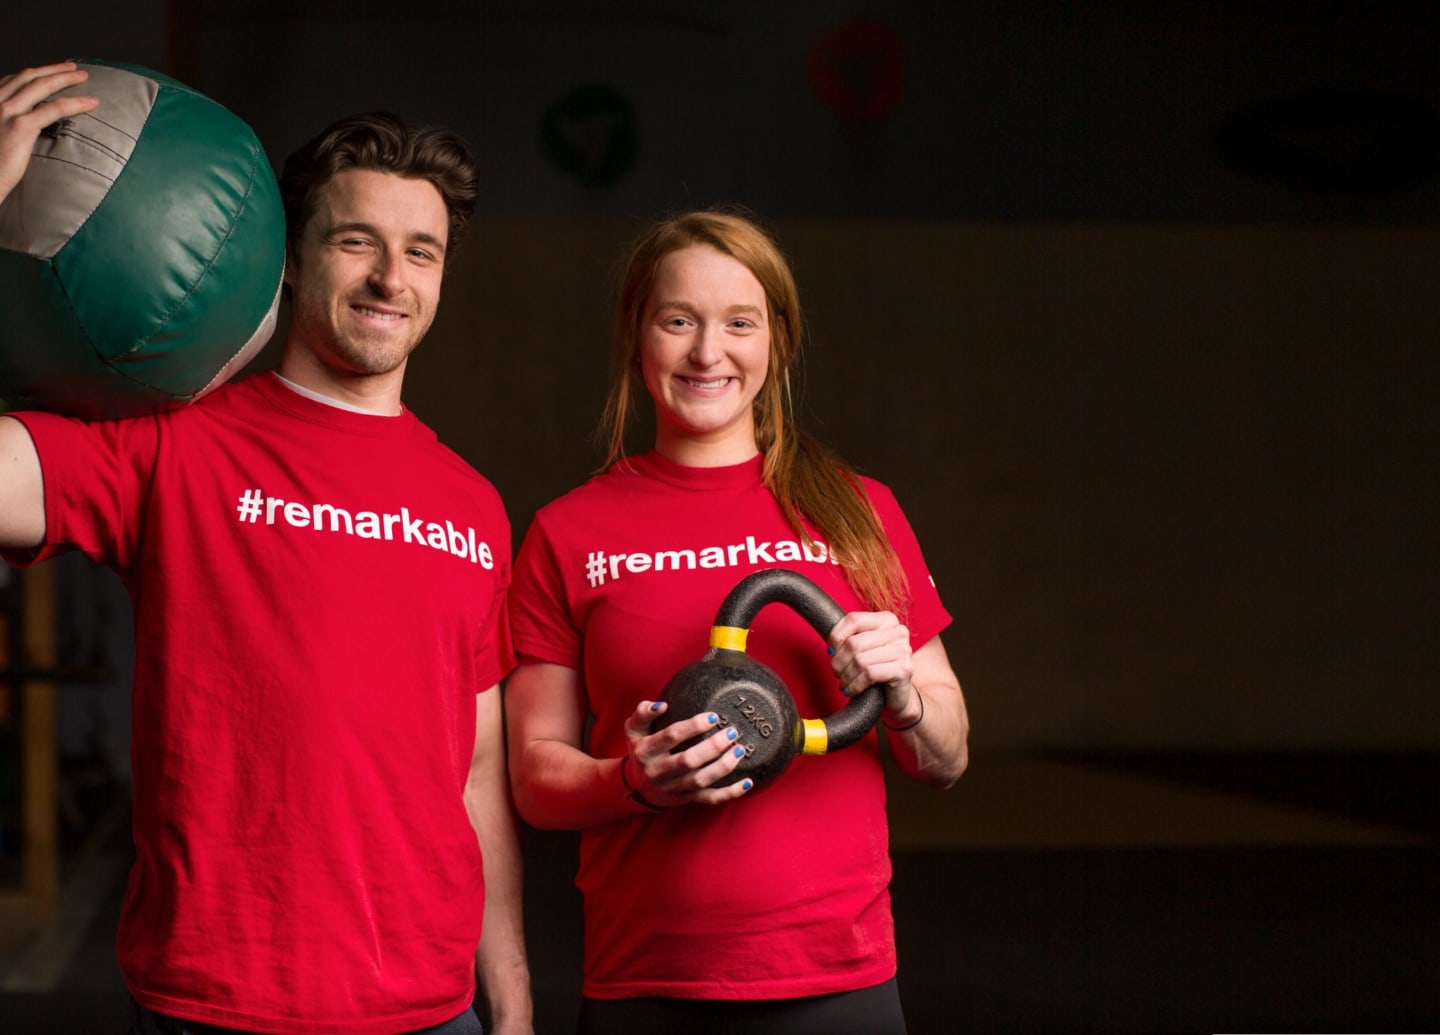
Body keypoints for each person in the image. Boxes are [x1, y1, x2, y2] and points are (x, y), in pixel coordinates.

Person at [0, 63, 531, 1034]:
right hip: (216, 1008)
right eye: (358, 241)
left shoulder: (473, 506)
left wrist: (514, 1002)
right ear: (289, 256)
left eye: (423, 251)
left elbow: (479, 773)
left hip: (432, 1012)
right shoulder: (176, 444)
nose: (390, 278)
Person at [504, 208, 970, 1033]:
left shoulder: (861, 511)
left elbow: (948, 755)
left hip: (839, 978)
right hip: (645, 982)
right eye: (678, 320)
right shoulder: (567, 530)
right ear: (637, 335)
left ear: (777, 342)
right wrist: (633, 780)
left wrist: (903, 696)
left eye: (739, 323)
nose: (707, 352)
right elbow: (537, 777)